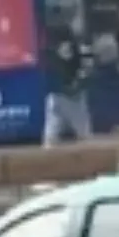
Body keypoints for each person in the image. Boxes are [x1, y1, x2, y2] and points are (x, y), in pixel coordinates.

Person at [42, 8, 92, 147]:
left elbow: (86, 67)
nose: (57, 22)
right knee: (50, 141)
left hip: (72, 98)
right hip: (57, 97)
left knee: (85, 138)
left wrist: (78, 83)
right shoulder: (49, 44)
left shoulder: (74, 42)